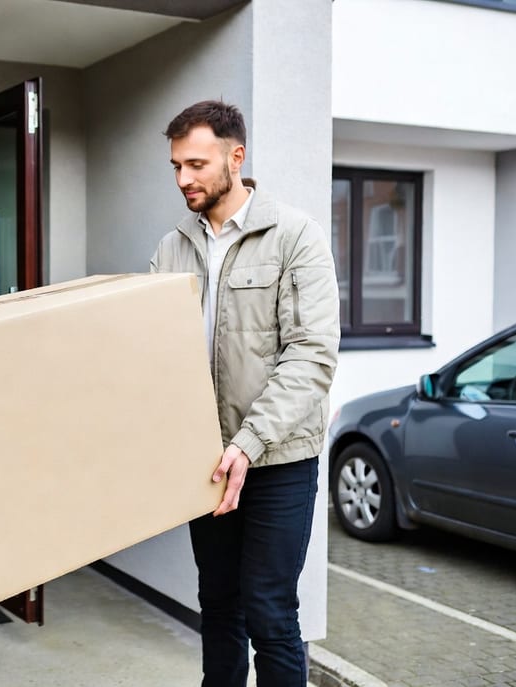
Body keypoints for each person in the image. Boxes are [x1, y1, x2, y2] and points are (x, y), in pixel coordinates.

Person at [150, 100, 340, 687]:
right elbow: (154, 354)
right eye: (176, 166)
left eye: (196, 164)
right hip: (208, 461)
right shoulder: (172, 248)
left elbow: (311, 355)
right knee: (219, 602)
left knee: (270, 611)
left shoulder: (295, 237)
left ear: (236, 157)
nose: (183, 179)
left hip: (278, 459)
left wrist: (249, 443)